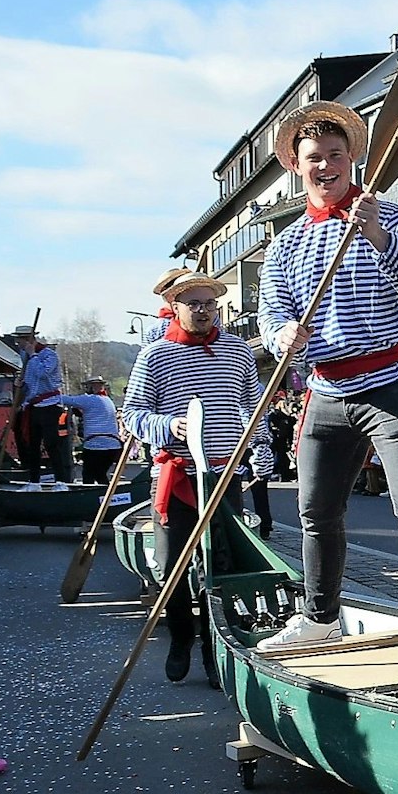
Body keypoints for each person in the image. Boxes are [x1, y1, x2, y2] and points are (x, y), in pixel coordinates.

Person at [253, 99, 398, 665]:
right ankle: (320, 619)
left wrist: (375, 233)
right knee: (316, 514)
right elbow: (271, 313)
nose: (325, 166)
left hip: (393, 385)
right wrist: (284, 339)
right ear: (297, 168)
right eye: (312, 159)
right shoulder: (286, 244)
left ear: (351, 158)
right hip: (325, 392)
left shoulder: (389, 215)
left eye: (334, 155)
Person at [123, 271, 262, 685]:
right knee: (171, 566)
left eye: (209, 304)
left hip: (222, 475)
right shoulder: (155, 356)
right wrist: (169, 426)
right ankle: (181, 635)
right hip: (176, 475)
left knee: (220, 565)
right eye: (194, 304)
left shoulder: (238, 351)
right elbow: (133, 414)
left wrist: (259, 448)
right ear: (177, 308)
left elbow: (253, 405)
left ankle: (213, 647)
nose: (203, 311)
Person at [16, 325, 72, 483]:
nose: (18, 344)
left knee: (51, 445)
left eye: (20, 340)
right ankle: (34, 481)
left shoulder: (49, 355)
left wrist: (33, 356)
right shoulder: (24, 356)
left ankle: (61, 481)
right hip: (32, 405)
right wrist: (21, 383)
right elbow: (30, 381)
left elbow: (42, 374)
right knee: (31, 446)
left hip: (49, 405)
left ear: (28, 340)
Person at [62, 378, 123, 484]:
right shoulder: (108, 400)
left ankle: (88, 496)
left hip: (95, 444)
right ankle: (105, 495)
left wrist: (49, 394)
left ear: (92, 386)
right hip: (113, 445)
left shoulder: (89, 399)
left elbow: (66, 400)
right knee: (100, 473)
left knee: (88, 474)